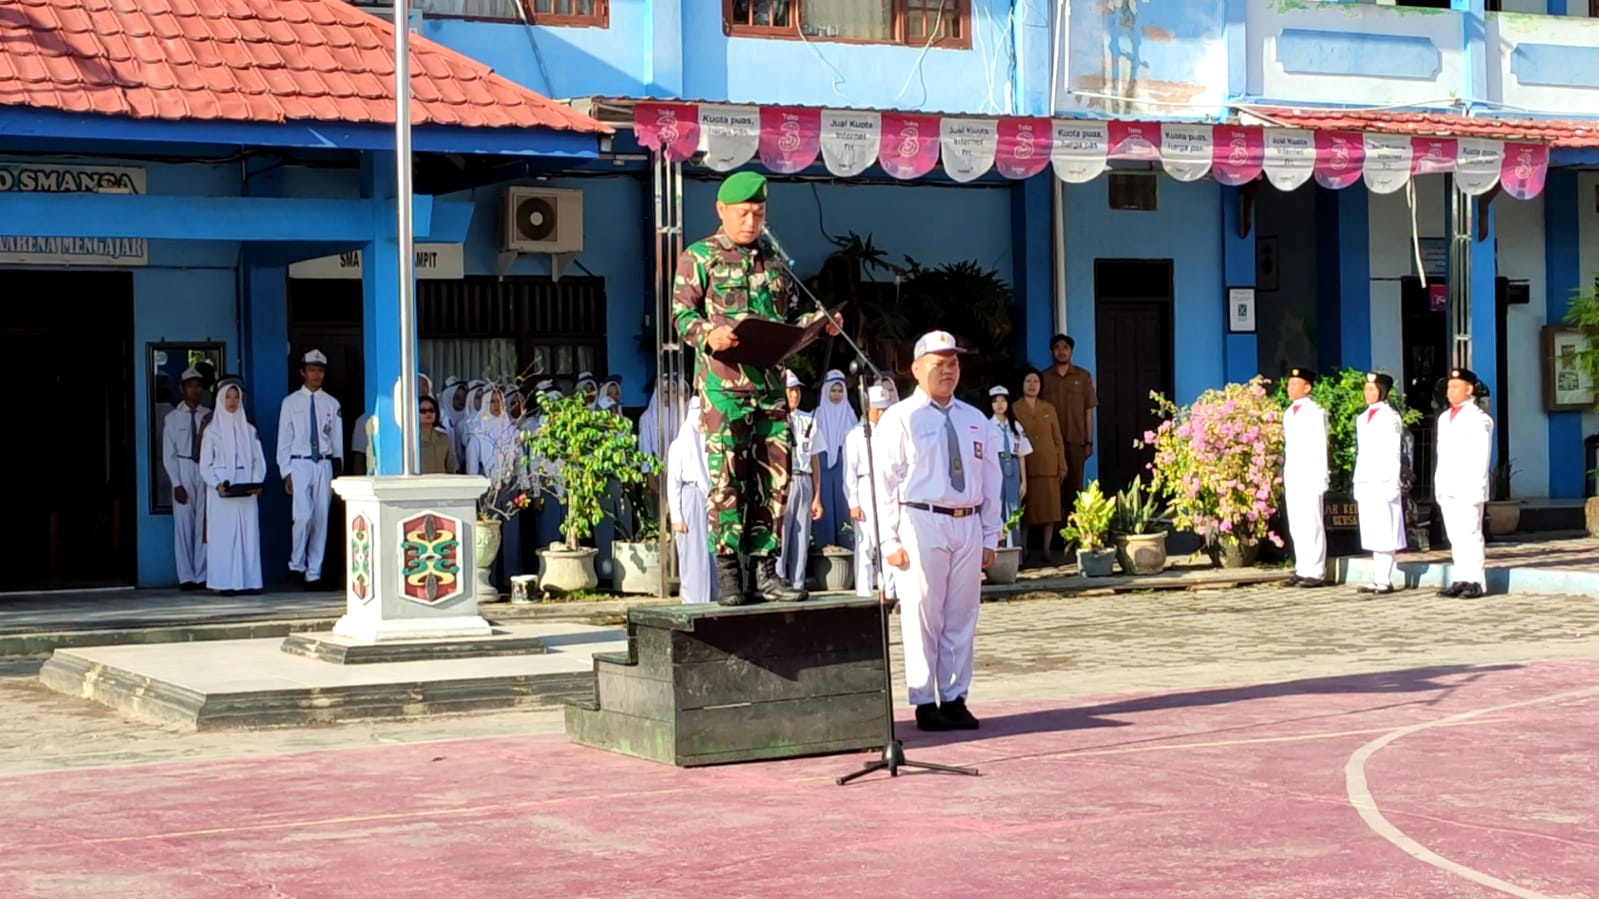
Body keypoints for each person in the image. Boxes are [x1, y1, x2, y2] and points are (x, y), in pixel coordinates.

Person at [671, 169, 828, 605]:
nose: (751, 222)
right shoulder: (699, 257)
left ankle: (765, 570)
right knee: (727, 479)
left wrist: (817, 327)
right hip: (724, 390)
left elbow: (786, 320)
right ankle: (727, 575)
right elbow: (681, 316)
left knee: (772, 478)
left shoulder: (774, 261)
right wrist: (709, 334)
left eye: (758, 213)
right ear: (721, 211)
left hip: (771, 389)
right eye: (743, 213)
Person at [875, 330, 1002, 732]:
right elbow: (883, 482)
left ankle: (954, 697)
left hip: (966, 521)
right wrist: (889, 540)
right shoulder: (900, 418)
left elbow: (991, 478)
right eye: (938, 364)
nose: (948, 371)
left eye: (954, 364)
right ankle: (922, 699)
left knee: (961, 615)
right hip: (921, 518)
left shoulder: (975, 419)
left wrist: (990, 534)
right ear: (916, 369)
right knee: (922, 613)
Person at [277, 349, 341, 589]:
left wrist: (336, 470)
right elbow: (284, 438)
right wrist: (286, 471)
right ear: (303, 372)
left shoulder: (331, 403)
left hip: (323, 462)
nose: (316, 375)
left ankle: (313, 572)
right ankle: (296, 564)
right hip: (300, 461)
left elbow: (336, 440)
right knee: (302, 516)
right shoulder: (291, 402)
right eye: (312, 370)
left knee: (321, 519)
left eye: (320, 371)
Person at [201, 378, 266, 596]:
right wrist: (216, 483)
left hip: (246, 491)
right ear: (220, 399)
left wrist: (256, 482)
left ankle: (249, 582)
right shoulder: (212, 431)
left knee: (248, 535)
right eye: (228, 397)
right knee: (224, 537)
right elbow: (205, 465)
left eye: (236, 397)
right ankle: (225, 582)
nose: (232, 401)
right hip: (222, 492)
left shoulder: (249, 429)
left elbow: (259, 460)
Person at [1434, 367, 1494, 599]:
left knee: (1470, 533)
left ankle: (1475, 580)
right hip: (1448, 484)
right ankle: (1461, 577)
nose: (1451, 391)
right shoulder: (1443, 418)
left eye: (1456, 386)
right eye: (1449, 386)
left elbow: (1481, 456)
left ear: (1469, 390)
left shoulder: (1479, 419)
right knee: (1455, 535)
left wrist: (1477, 488)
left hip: (1467, 485)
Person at [1353, 371, 1405, 595]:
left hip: (1384, 479)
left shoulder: (1390, 417)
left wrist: (1393, 481)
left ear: (1382, 392)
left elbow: (1393, 452)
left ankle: (1385, 578)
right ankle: (1376, 577)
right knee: (1372, 528)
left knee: (1386, 529)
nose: (1368, 393)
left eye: (1372, 389)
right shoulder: (1362, 418)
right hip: (1367, 479)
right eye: (1366, 389)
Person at [1039, 333, 1098, 529]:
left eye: (1065, 347)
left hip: (1076, 441)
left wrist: (1089, 442)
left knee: (1075, 487)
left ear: (1071, 351)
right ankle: (1054, 532)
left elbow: (1088, 411)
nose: (1061, 351)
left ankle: (1074, 531)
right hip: (1050, 444)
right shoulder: (1044, 378)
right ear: (1052, 351)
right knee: (1053, 489)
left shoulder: (1083, 377)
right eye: (1057, 347)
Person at [844, 384, 897, 598]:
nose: (882, 413)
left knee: (889, 540)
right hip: (866, 485)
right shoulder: (855, 434)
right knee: (865, 543)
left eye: (885, 408)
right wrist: (853, 502)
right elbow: (850, 472)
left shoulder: (893, 432)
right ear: (868, 409)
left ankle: (890, 591)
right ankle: (864, 592)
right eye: (878, 408)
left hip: (889, 487)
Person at [162, 365, 211, 590]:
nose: (195, 390)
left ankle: (201, 574)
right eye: (190, 386)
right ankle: (186, 576)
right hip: (182, 467)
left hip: (203, 468)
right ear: (182, 389)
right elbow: (168, 454)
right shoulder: (173, 418)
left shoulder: (208, 415)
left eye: (198, 386)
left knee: (203, 524)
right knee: (183, 525)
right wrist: (176, 483)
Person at [1013, 369, 1067, 567]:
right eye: (1028, 381)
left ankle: (1046, 549)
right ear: (1022, 384)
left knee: (1050, 511)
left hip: (1048, 465)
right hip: (1026, 467)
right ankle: (1024, 548)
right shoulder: (1015, 408)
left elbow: (1058, 438)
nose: (1032, 385)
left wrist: (1062, 464)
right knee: (1027, 512)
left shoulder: (1049, 408)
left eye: (1036, 381)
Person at [1282, 367, 1330, 588]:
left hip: (1310, 473)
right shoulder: (1289, 412)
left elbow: (1320, 445)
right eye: (1289, 384)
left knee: (1312, 522)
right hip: (1294, 473)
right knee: (1297, 523)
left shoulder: (1315, 412)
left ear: (1307, 387)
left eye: (1295, 384)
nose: (1290, 388)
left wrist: (1322, 476)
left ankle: (1316, 570)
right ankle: (1302, 566)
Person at [667, 397, 716, 604]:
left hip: (709, 497)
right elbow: (673, 483)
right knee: (693, 552)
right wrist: (676, 516)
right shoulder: (679, 446)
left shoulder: (710, 443)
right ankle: (693, 600)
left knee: (711, 551)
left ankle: (713, 596)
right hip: (690, 497)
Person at [779, 370, 821, 590]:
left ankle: (797, 583)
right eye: (790, 391)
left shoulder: (808, 419)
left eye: (797, 391)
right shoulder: (774, 419)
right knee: (781, 535)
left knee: (801, 534)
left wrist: (817, 496)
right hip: (783, 481)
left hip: (803, 478)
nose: (794, 395)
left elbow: (814, 459)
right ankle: (778, 580)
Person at [812, 369, 858, 551]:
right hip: (821, 463)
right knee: (823, 507)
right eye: (833, 390)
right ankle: (822, 551)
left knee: (843, 504)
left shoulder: (850, 414)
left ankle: (847, 549)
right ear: (825, 391)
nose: (836, 394)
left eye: (840, 391)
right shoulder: (817, 414)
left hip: (843, 463)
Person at [988, 386, 1033, 549]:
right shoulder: (987, 426)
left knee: (1013, 509)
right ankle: (997, 549)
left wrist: (1024, 482)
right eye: (995, 401)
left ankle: (1014, 552)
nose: (999, 405)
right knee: (997, 507)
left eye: (1003, 400)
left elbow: (1022, 455)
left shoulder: (1016, 427)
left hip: (1013, 468)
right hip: (995, 467)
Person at [417, 395, 456, 475]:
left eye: (431, 410)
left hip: (441, 484)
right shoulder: (411, 441)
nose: (428, 413)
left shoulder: (444, 438)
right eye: (423, 411)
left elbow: (451, 467)